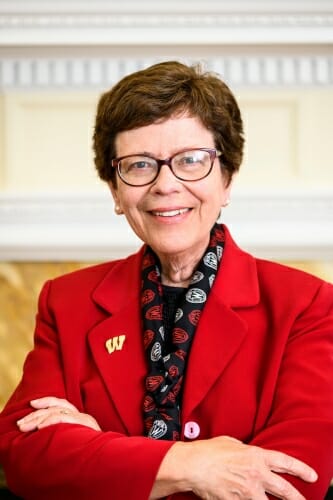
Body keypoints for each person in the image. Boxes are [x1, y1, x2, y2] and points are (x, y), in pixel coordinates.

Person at [0, 60, 332, 500]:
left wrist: (97, 450)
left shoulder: (306, 304)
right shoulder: (67, 300)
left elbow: (292, 482)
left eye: (191, 161)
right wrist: (192, 465)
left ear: (227, 178)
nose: (165, 184)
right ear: (116, 192)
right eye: (139, 165)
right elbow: (25, 456)